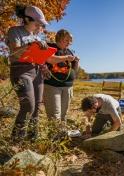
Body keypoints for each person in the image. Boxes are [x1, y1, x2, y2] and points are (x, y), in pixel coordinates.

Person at [5, 5, 75, 142]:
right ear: (26, 19)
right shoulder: (15, 31)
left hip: (36, 72)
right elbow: (14, 52)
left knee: (36, 107)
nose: (39, 27)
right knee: (28, 105)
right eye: (37, 23)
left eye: (41, 24)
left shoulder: (37, 37)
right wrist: (31, 46)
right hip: (20, 70)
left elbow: (49, 59)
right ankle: (16, 140)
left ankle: (32, 139)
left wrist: (64, 58)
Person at [43, 29, 79, 122]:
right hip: (52, 86)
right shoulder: (50, 47)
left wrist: (76, 62)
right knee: (54, 114)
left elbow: (74, 71)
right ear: (59, 38)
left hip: (68, 87)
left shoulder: (69, 51)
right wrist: (66, 57)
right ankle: (54, 135)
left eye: (70, 41)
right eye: (67, 40)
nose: (69, 43)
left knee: (64, 114)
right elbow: (50, 59)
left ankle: (62, 134)